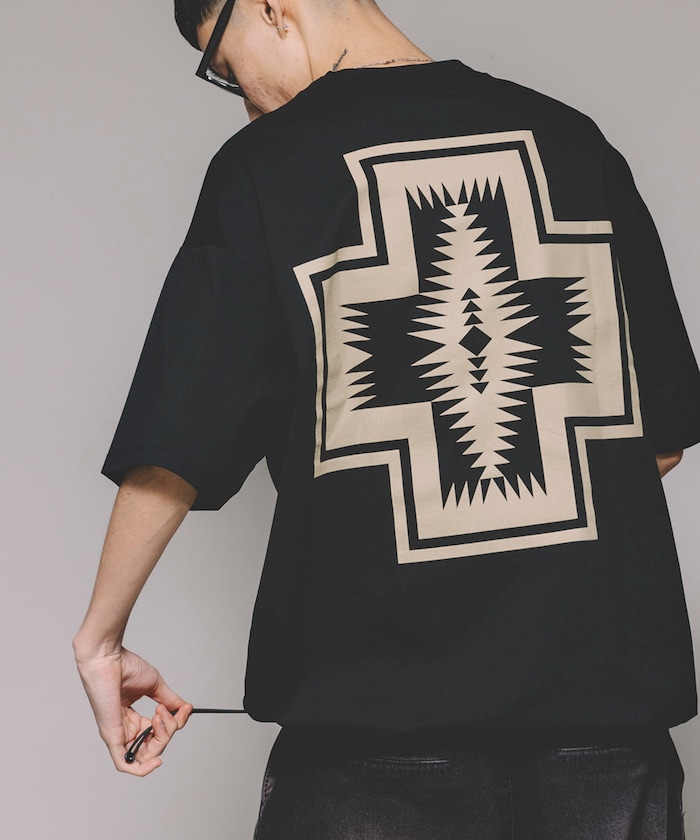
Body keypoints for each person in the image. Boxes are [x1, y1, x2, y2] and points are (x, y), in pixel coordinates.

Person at [73, 0, 700, 837]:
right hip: (607, 737)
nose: (247, 101)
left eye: (226, 70)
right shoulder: (574, 142)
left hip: (370, 750)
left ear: (270, 7)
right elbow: (654, 443)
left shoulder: (269, 165)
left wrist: (102, 639)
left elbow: (179, 433)